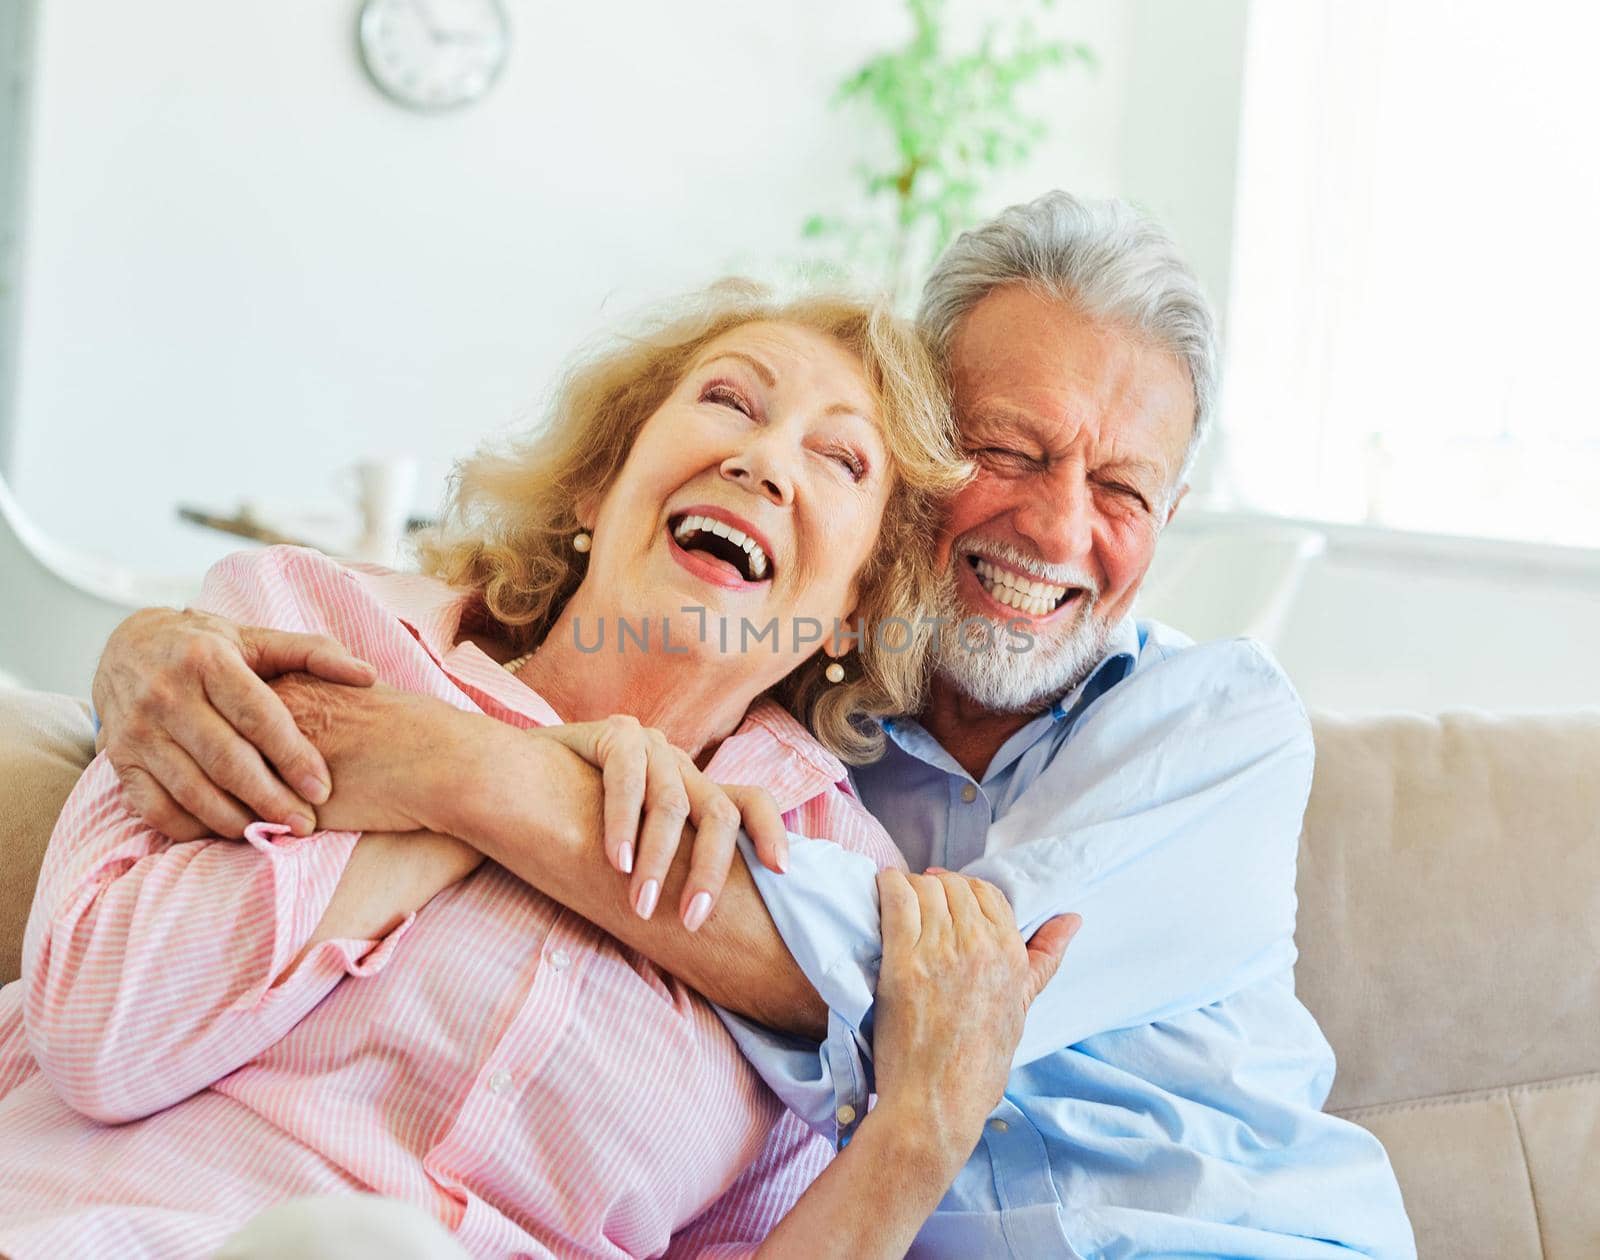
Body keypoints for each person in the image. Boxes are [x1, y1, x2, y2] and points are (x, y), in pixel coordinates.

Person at [85, 194, 1417, 1256]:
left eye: (1123, 486)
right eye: (1011, 450)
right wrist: (142, 650)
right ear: (920, 494)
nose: (1061, 526)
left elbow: (921, 995)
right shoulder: (808, 757)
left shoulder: (1212, 724)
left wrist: (455, 760)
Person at [0, 283, 1079, 1259]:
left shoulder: (828, 875)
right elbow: (101, 1030)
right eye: (728, 402)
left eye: (840, 460)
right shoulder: (309, 629)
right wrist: (493, 781)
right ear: (598, 487)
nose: (761, 462)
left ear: (853, 604)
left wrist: (917, 1137)